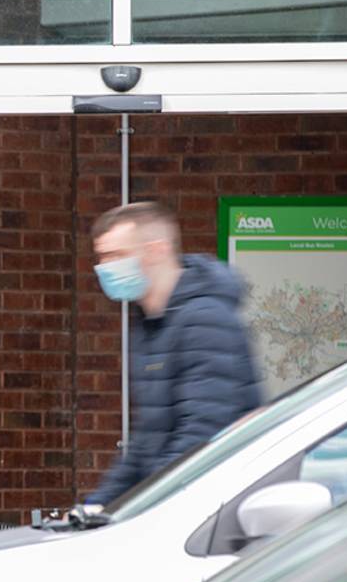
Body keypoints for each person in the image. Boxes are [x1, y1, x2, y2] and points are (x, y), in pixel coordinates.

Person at [86, 201, 262, 507]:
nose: (106, 267)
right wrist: (95, 506)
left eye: (117, 256)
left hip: (209, 509)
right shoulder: (150, 324)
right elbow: (148, 439)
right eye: (102, 257)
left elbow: (203, 431)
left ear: (157, 250)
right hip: (177, 500)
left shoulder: (205, 319)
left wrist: (143, 505)